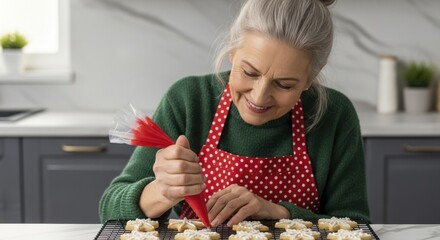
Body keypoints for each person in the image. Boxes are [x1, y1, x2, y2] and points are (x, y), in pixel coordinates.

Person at [99, 0, 370, 227]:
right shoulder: (189, 100)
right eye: (249, 72)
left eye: (284, 84)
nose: (259, 96)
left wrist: (279, 213)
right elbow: (109, 210)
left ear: (310, 78)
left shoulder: (335, 116)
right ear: (232, 49)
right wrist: (163, 190)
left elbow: (355, 224)